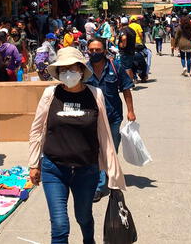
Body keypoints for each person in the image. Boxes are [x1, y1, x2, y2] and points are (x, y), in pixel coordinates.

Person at [28, 47, 126, 244]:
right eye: (63, 70)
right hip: (54, 169)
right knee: (59, 225)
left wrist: (112, 173)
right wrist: (33, 163)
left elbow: (104, 134)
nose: (68, 73)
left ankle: (88, 240)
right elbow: (37, 130)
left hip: (86, 170)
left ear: (82, 71)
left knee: (83, 217)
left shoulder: (95, 94)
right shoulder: (50, 94)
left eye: (72, 69)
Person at [86, 38, 135, 202]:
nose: (94, 53)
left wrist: (131, 111)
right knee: (96, 150)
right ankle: (99, 186)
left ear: (104, 50)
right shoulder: (83, 69)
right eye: (91, 50)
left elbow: (126, 89)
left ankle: (108, 172)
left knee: (111, 149)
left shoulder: (116, 66)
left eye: (97, 50)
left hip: (113, 117)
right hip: (91, 119)